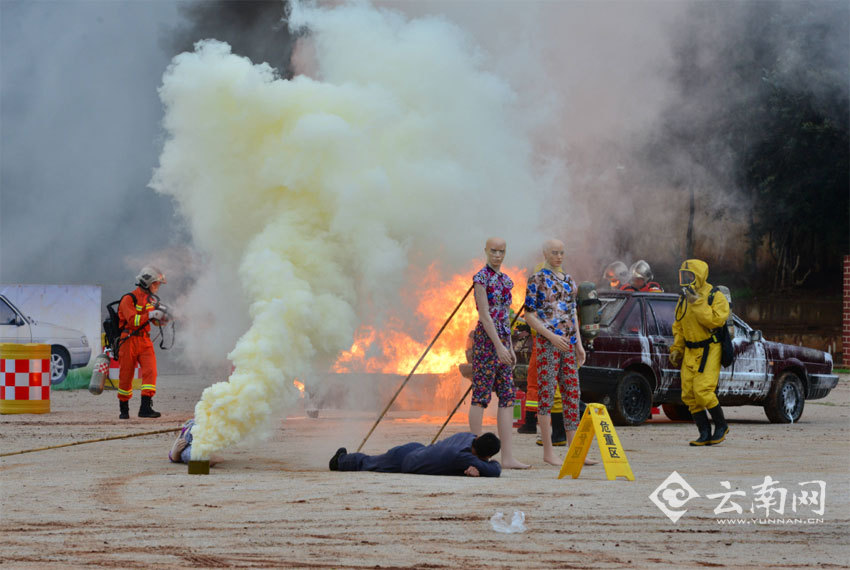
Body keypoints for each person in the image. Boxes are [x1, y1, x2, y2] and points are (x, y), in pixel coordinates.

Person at [523, 239, 596, 466]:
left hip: (568, 342)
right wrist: (551, 336)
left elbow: (572, 312)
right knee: (546, 397)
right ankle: (548, 451)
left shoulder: (569, 281)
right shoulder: (537, 279)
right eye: (554, 252)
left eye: (562, 252)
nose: (559, 256)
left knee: (572, 395)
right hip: (548, 344)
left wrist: (579, 344)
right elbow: (529, 314)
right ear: (545, 252)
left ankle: (575, 449)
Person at [468, 237, 529, 469]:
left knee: (507, 396)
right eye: (493, 251)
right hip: (486, 341)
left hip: (503, 340)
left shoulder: (506, 280)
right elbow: (485, 315)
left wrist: (509, 346)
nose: (497, 255)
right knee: (481, 395)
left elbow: (505, 315)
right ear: (485, 251)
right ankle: (474, 454)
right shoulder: (480, 279)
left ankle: (508, 456)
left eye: (501, 251)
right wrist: (498, 346)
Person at [669, 259, 730, 446]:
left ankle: (721, 426)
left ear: (700, 275)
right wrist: (677, 349)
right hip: (690, 351)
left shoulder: (715, 296)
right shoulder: (683, 298)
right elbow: (679, 326)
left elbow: (715, 321)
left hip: (709, 349)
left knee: (703, 391)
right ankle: (704, 432)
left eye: (690, 275)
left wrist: (698, 303)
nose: (686, 279)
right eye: (684, 276)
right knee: (688, 394)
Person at [116, 266, 169, 419]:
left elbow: (156, 323)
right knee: (126, 375)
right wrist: (152, 313)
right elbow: (133, 321)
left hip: (145, 340)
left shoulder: (151, 300)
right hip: (128, 340)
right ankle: (124, 409)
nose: (157, 287)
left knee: (151, 371)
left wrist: (164, 318)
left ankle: (145, 408)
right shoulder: (128, 299)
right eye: (155, 284)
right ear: (147, 283)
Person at [329, 432, 502, 477]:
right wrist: (486, 465)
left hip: (416, 449)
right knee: (369, 463)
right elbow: (495, 471)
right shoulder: (464, 457)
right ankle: (340, 461)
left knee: (373, 460)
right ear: (482, 457)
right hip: (404, 461)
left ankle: (344, 459)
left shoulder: (468, 436)